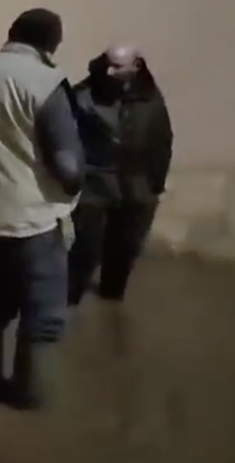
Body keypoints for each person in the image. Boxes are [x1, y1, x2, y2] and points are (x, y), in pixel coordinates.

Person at [0, 8, 85, 409]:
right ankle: (29, 404)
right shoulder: (45, 83)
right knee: (42, 320)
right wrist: (79, 184)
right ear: (51, 44)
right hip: (33, 222)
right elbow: (69, 168)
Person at [67, 46, 173, 305]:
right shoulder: (84, 94)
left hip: (137, 184)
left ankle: (112, 294)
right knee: (86, 246)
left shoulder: (150, 97)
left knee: (126, 246)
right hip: (94, 181)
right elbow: (66, 136)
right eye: (109, 64)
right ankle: (70, 296)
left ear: (136, 66)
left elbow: (161, 139)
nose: (111, 71)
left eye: (118, 66)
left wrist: (156, 181)